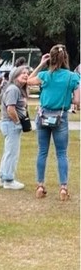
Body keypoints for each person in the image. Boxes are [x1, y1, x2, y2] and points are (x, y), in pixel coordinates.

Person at [30, 45, 80, 201]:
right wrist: (65, 98)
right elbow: (78, 101)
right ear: (65, 58)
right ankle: (63, 188)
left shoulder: (45, 75)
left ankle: (39, 185)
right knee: (61, 153)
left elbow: (28, 80)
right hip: (61, 116)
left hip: (43, 115)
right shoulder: (72, 77)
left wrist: (40, 64)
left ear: (50, 59)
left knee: (42, 151)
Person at [0, 65, 31, 190]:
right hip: (11, 124)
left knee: (8, 152)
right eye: (23, 73)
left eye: (27, 73)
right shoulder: (13, 89)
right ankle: (8, 180)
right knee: (12, 153)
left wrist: (42, 64)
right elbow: (10, 108)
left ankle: (2, 176)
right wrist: (17, 122)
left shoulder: (16, 89)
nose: (26, 75)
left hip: (10, 124)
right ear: (15, 76)